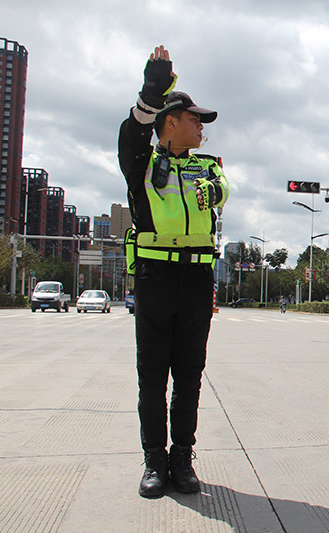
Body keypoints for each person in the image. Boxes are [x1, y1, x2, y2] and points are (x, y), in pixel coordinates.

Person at [118, 45, 229, 498]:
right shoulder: (141, 164)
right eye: (194, 119)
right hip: (155, 278)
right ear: (170, 121)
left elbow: (220, 190)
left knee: (188, 375)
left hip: (197, 281)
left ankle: (182, 458)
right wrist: (153, 88)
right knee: (152, 378)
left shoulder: (208, 166)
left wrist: (208, 189)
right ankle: (154, 462)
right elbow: (131, 133)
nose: (201, 127)